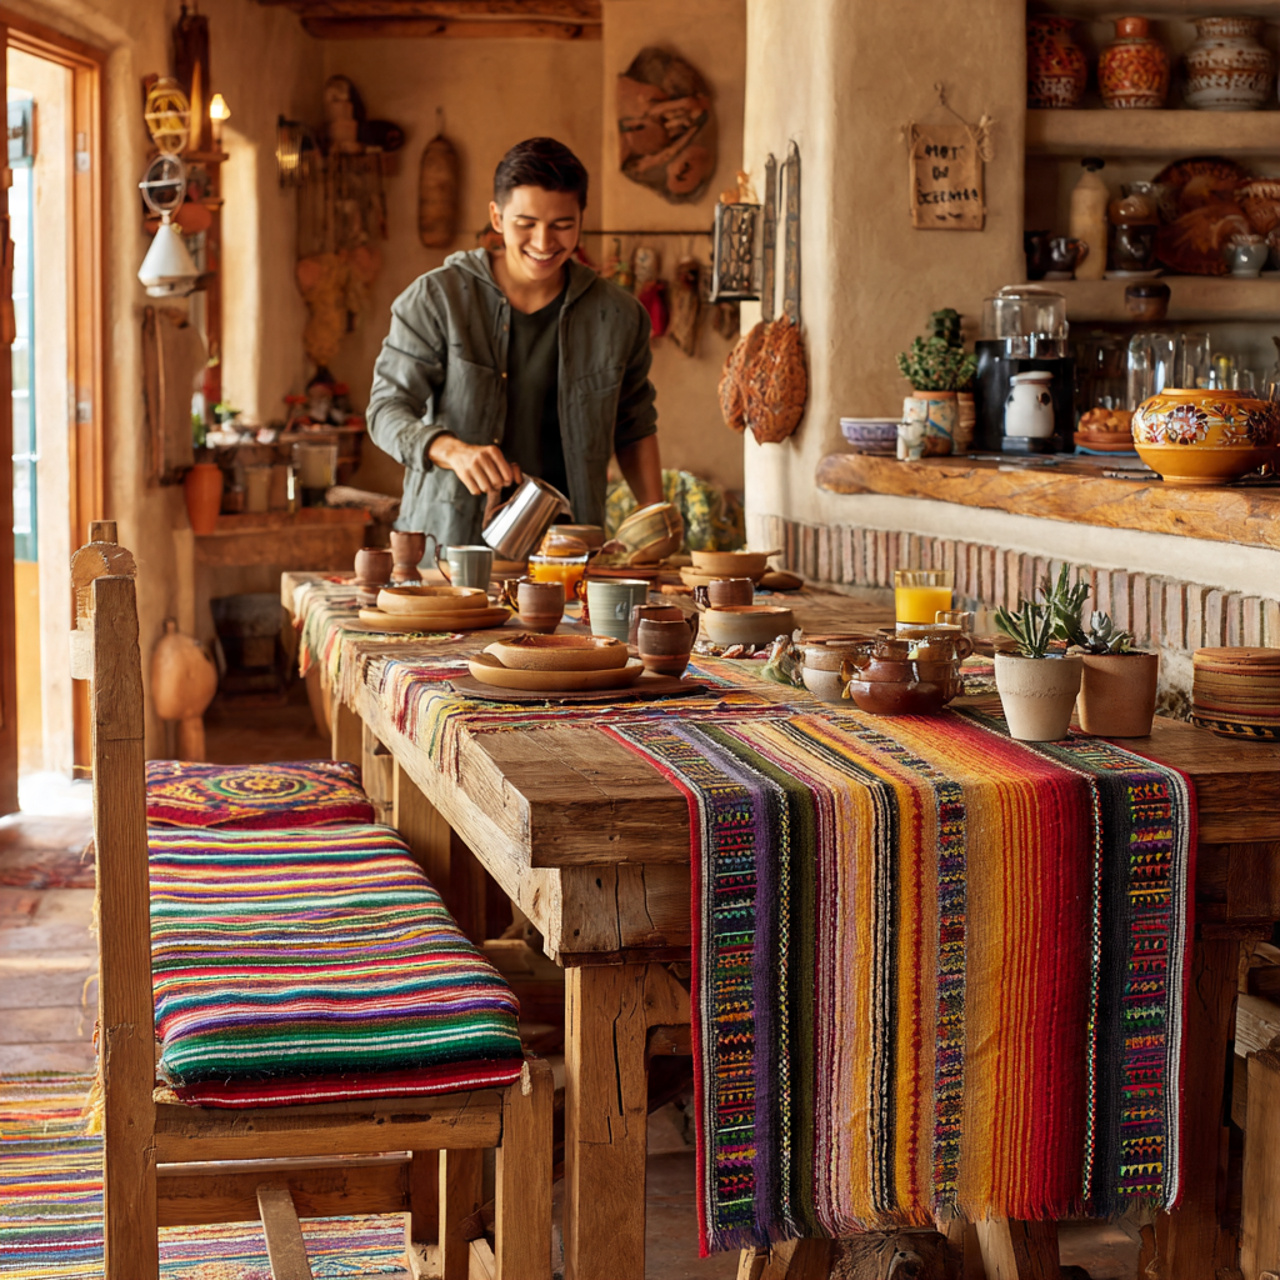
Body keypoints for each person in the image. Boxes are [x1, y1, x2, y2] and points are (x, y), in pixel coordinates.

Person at [367, 137, 664, 548]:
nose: (544, 243)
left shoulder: (619, 316)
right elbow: (385, 411)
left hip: (570, 553)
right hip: (448, 550)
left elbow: (635, 426)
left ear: (581, 219)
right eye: (526, 224)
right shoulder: (437, 300)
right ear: (496, 216)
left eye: (562, 225)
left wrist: (656, 523)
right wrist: (450, 449)